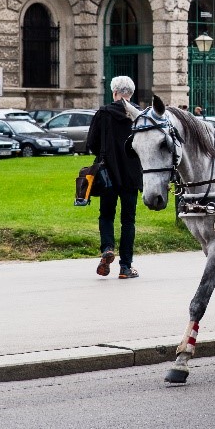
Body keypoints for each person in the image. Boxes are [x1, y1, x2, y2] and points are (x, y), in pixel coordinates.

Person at [88, 75, 143, 279]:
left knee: (106, 215)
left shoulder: (103, 114)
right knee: (128, 220)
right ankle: (125, 267)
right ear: (131, 93)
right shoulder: (139, 115)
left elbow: (91, 142)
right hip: (131, 174)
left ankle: (107, 247)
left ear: (114, 93)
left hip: (107, 173)